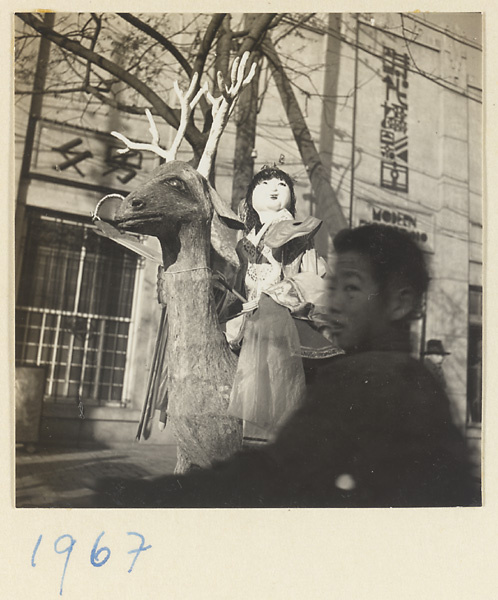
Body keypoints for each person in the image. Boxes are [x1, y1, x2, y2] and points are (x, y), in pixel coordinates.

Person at [95, 224, 476, 508]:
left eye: (352, 288)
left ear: (400, 303)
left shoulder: (365, 377)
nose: (335, 303)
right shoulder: (416, 378)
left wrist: (146, 497)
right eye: (333, 287)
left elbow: (273, 474)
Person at [224, 166, 342, 445]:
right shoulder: (247, 237)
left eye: (282, 184)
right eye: (264, 184)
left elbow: (310, 272)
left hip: (280, 306)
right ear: (252, 195)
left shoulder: (296, 230)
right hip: (247, 310)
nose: (274, 189)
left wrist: (279, 287)